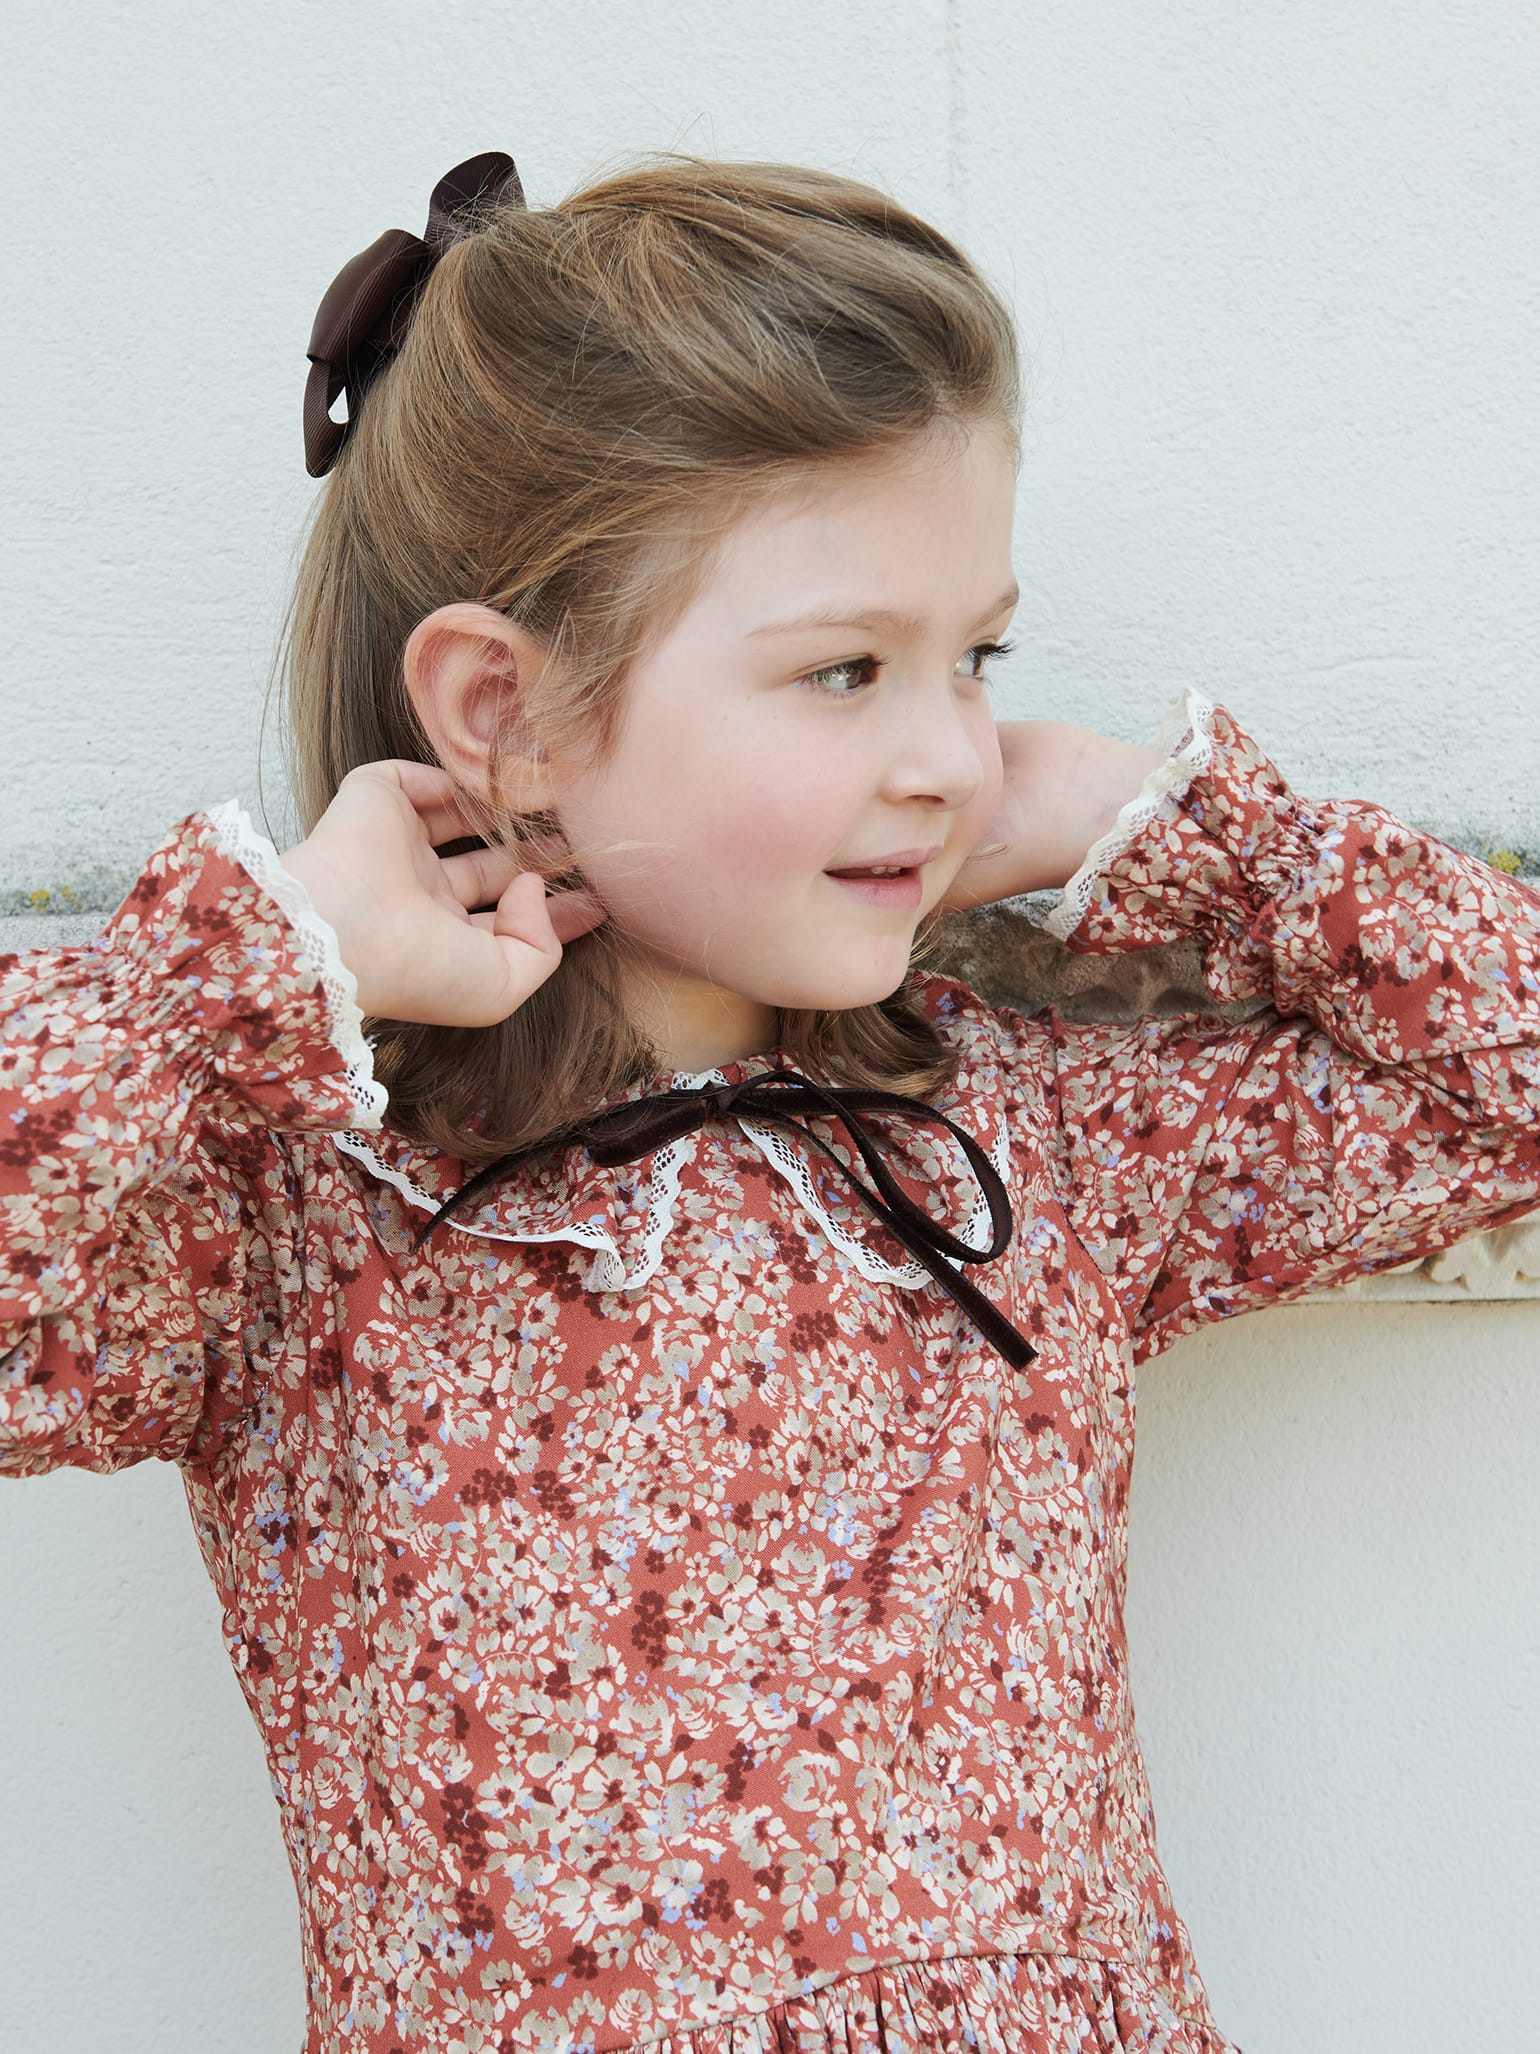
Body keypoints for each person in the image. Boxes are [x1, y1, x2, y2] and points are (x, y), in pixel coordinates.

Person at [1, 146, 1535, 2054]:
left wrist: (1189, 831)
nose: (949, 755)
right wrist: (254, 961)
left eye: (976, 658)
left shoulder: (1033, 1144)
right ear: (503, 712)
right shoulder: (296, 1215)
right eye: (845, 669)